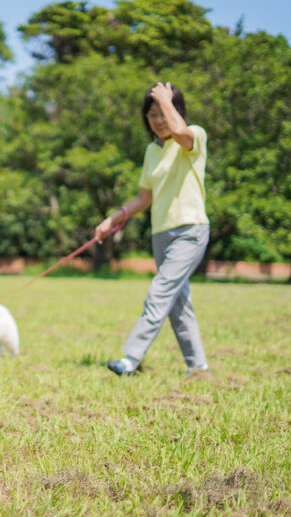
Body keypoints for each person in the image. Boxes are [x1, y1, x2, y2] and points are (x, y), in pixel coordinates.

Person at [95, 82, 209, 376]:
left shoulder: (194, 135)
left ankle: (130, 359)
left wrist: (165, 100)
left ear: (177, 110)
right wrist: (113, 219)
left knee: (159, 292)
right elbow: (145, 197)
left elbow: (182, 134)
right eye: (151, 114)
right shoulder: (151, 151)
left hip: (190, 230)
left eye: (163, 112)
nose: (158, 121)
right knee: (177, 302)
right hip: (162, 234)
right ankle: (198, 367)